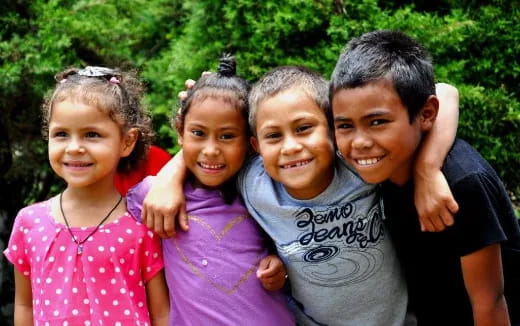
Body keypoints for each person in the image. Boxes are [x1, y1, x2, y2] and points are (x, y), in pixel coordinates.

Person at [143, 62, 460, 324]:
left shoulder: (356, 165)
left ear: (334, 129)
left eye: (304, 128)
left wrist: (428, 169)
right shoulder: (255, 181)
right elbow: (212, 146)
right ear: (256, 147)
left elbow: (445, 92)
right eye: (273, 136)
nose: (291, 147)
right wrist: (169, 176)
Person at [330, 29, 520, 326]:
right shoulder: (381, 165)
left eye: (377, 122)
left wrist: (428, 169)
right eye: (344, 126)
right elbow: (446, 90)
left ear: (426, 114)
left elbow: (490, 303)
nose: (359, 142)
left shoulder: (463, 183)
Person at [126, 55, 295, 326]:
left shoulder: (262, 191)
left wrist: (279, 268)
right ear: (180, 132)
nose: (212, 149)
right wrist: (167, 179)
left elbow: (289, 249)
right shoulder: (155, 194)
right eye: (198, 133)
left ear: (251, 141)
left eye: (228, 136)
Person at [3, 66, 170, 326]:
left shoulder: (142, 224)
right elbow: (25, 305)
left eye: (92, 135)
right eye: (61, 134)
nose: (75, 148)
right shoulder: (29, 222)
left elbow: (161, 313)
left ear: (127, 142)